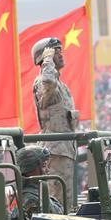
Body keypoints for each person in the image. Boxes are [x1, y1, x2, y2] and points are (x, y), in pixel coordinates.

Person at [31, 37, 78, 209]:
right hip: (55, 152)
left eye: (60, 50)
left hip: (65, 151)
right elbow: (49, 81)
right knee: (56, 204)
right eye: (54, 51)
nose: (60, 54)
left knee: (66, 203)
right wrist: (48, 60)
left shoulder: (62, 87)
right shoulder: (43, 83)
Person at [12, 144, 63, 220]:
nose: (48, 170)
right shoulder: (31, 199)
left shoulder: (37, 192)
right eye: (44, 166)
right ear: (30, 169)